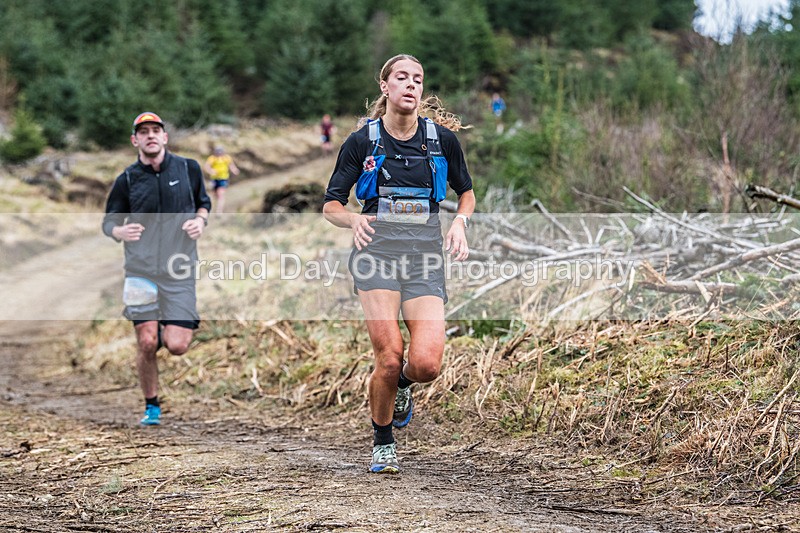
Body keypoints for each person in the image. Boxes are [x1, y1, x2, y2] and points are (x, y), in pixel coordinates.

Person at [322, 55, 476, 474]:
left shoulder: (440, 140)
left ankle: (403, 385)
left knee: (425, 364)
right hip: (376, 257)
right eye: (402, 78)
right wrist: (353, 218)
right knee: (389, 357)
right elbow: (331, 205)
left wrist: (460, 223)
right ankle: (383, 441)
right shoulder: (362, 141)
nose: (411, 85)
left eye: (418, 80)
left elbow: (466, 192)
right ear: (385, 86)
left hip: (424, 258)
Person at [103, 111, 211, 426]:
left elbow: (204, 202)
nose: (150, 135)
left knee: (177, 345)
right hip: (140, 269)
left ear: (164, 137)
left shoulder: (189, 169)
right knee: (147, 342)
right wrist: (118, 232)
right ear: (135, 140)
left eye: (155, 130)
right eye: (143, 131)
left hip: (180, 269)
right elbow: (109, 220)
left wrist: (200, 220)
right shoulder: (126, 179)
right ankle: (152, 406)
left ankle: (162, 324)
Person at [203, 145, 239, 213]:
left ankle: (219, 210)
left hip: (223, 178)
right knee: (215, 194)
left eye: (220, 152)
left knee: (221, 193)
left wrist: (235, 170)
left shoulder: (226, 158)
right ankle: (216, 206)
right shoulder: (212, 158)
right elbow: (206, 166)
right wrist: (211, 171)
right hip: (214, 179)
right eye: (218, 152)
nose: (219, 154)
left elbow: (231, 165)